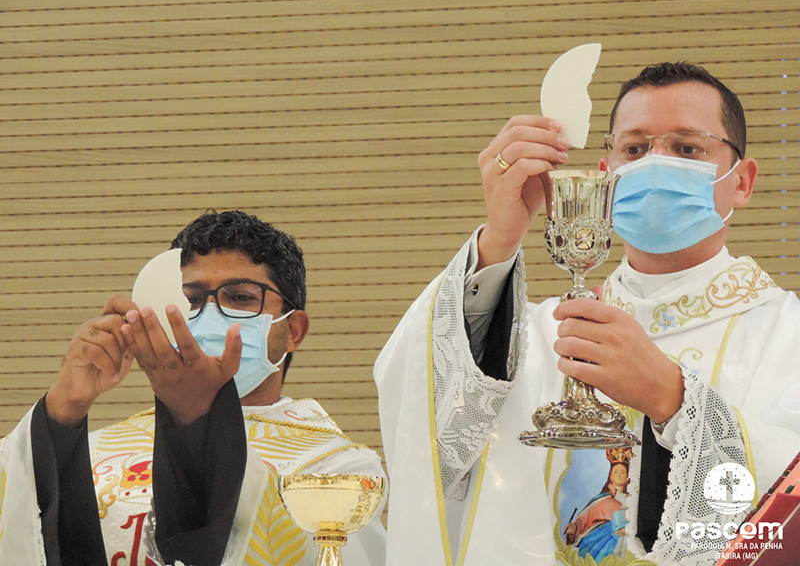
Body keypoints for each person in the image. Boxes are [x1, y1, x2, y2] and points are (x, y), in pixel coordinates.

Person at [375, 62, 800, 565]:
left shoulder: (787, 335)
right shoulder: (542, 334)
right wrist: (497, 243)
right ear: (605, 177)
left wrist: (675, 402)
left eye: (687, 148)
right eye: (634, 150)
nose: (655, 164)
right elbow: (420, 409)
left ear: (742, 181)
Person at [0, 210, 386, 566]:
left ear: (293, 331)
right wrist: (63, 411)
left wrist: (197, 419)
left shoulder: (337, 470)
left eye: (240, 297)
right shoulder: (95, 449)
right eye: (192, 300)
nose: (209, 315)